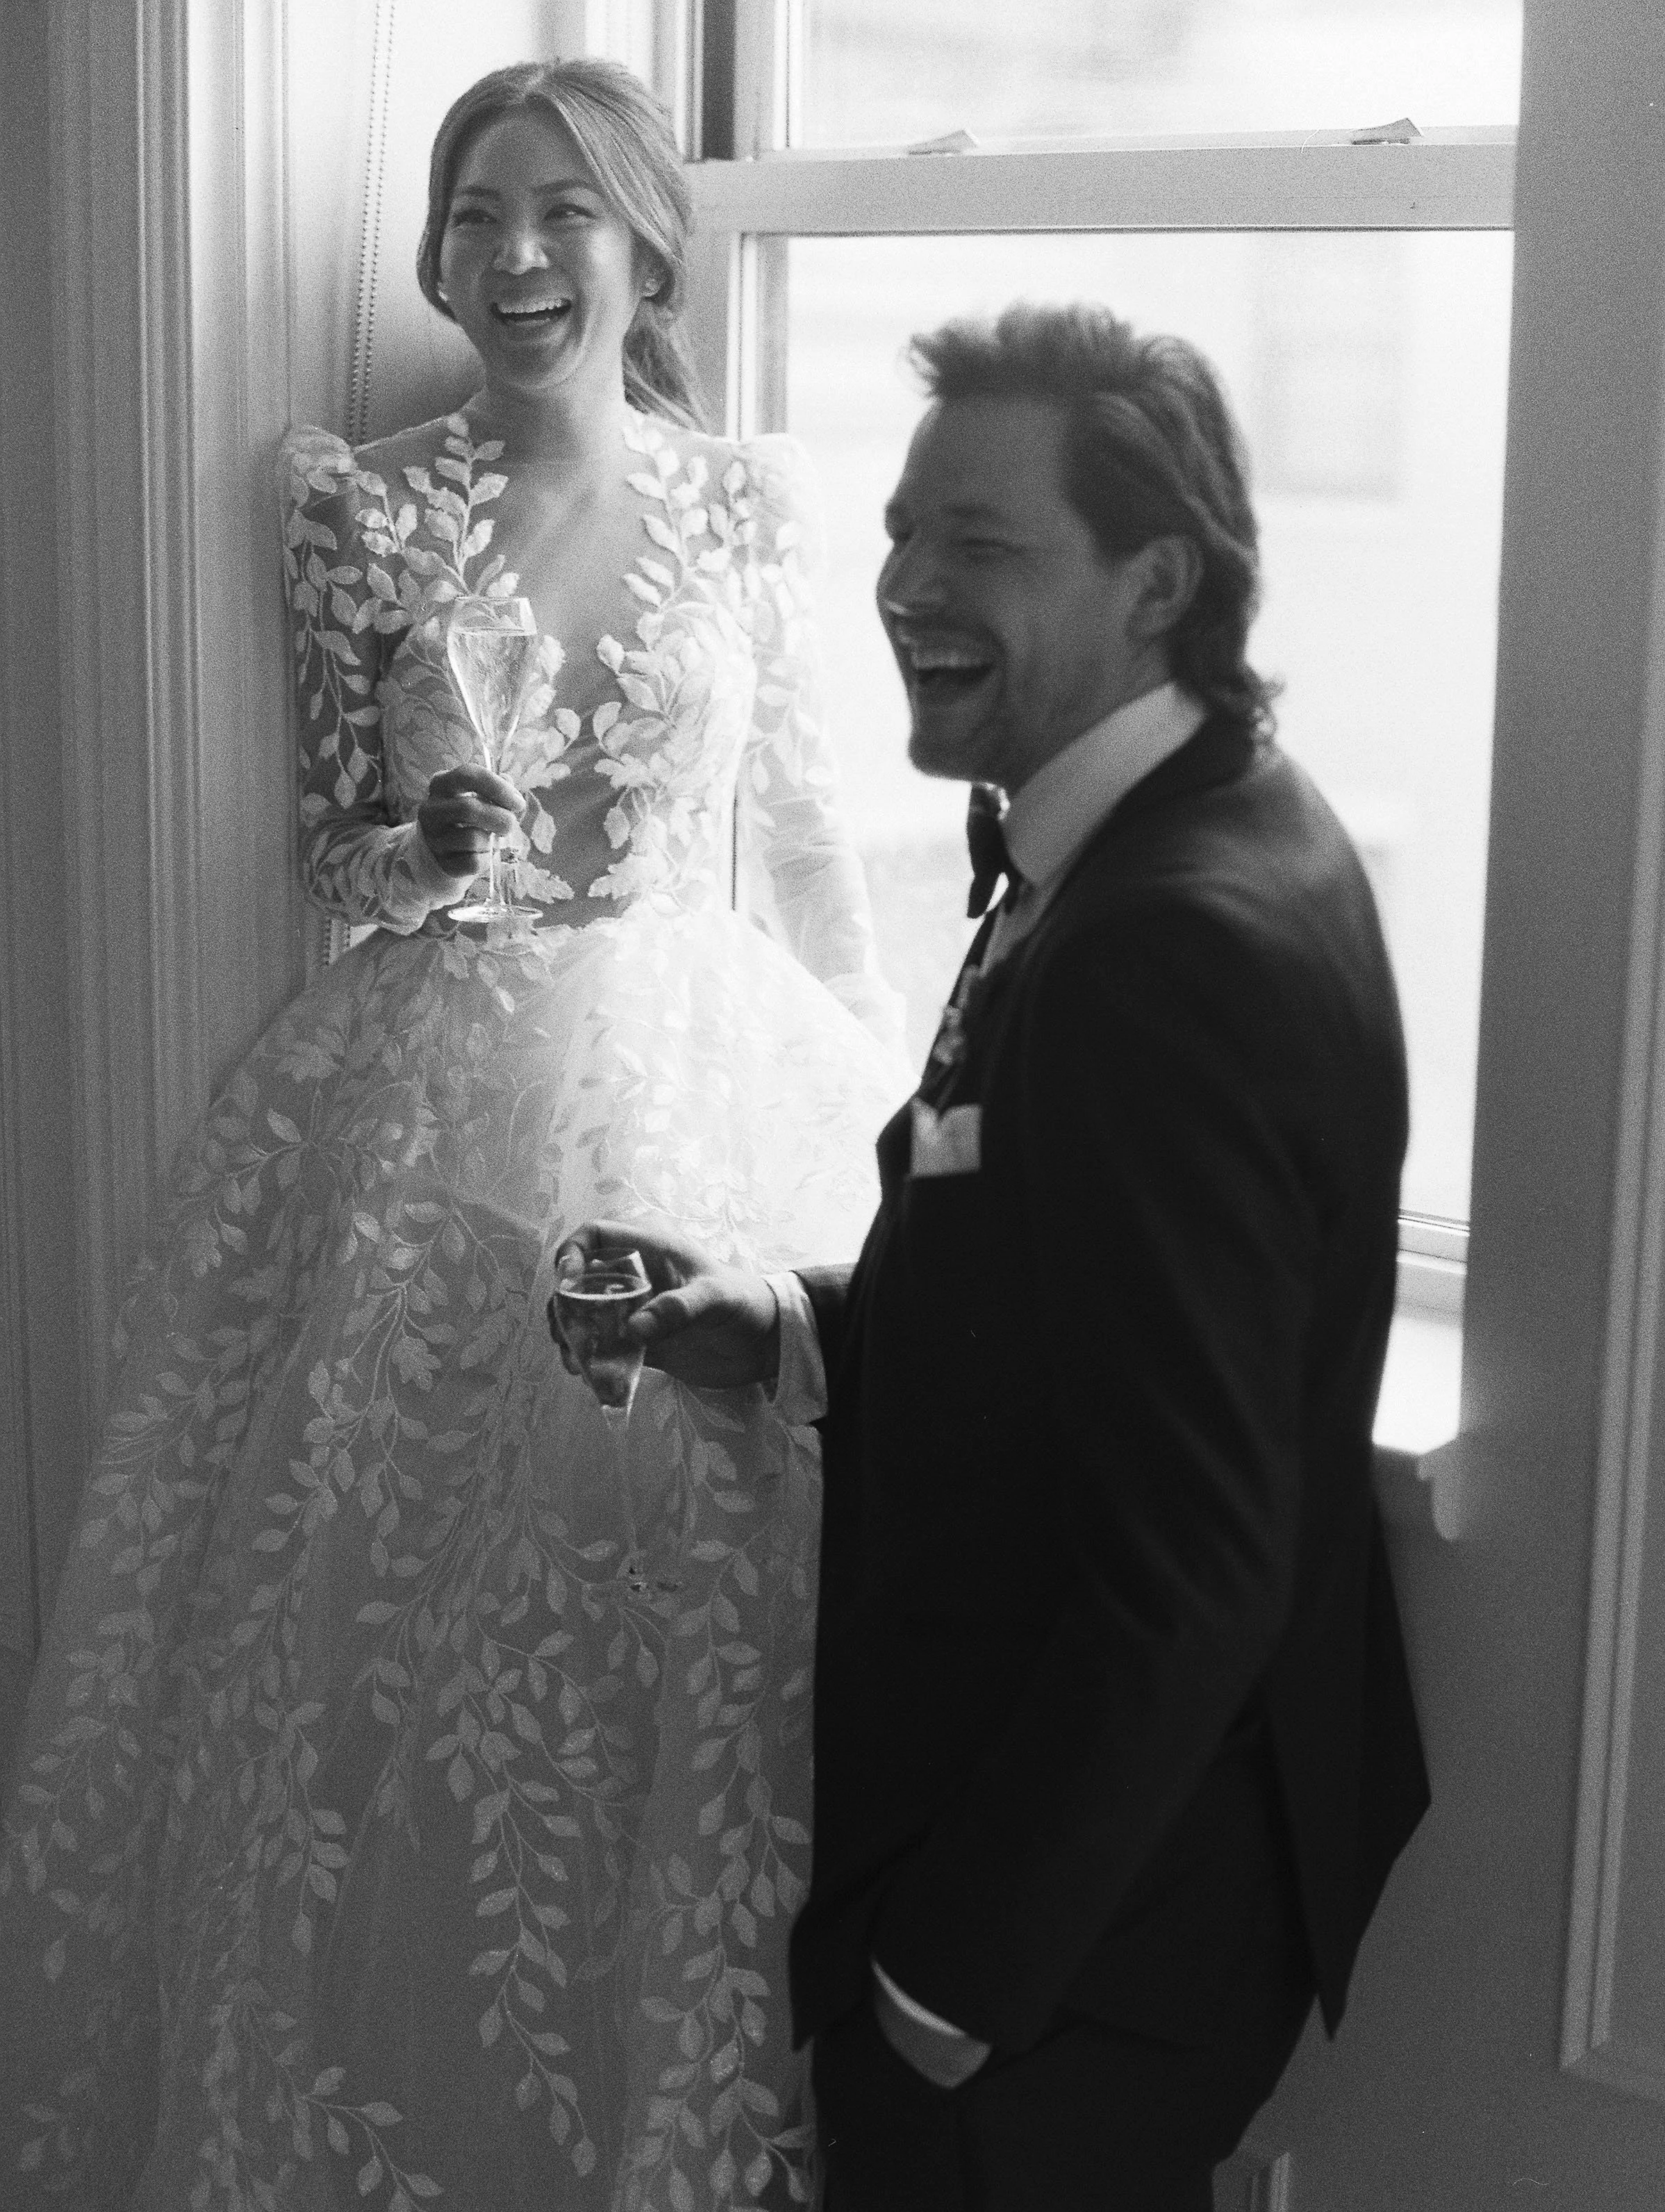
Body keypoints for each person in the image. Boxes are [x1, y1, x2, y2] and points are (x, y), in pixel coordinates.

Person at [0, 56, 904, 2212]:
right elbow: (344, 851)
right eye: (477, 213)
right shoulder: (364, 505)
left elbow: (794, 829)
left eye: (562, 212)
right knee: (386, 1639)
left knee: (678, 1600)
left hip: (706, 1064)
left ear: (646, 245)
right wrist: (428, 834)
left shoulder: (741, 503)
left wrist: (895, 1101)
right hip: (425, 1103)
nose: (513, 259)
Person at [554, 303, 1432, 2211]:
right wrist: (787, 1323)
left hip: (1074, 1956)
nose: (902, 584)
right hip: (1090, 1911)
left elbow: (1193, 1567)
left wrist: (944, 1982)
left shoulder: (1169, 945)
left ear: (1153, 580)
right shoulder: (1154, 827)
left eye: (978, 543)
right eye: (899, 529)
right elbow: (1065, 1322)